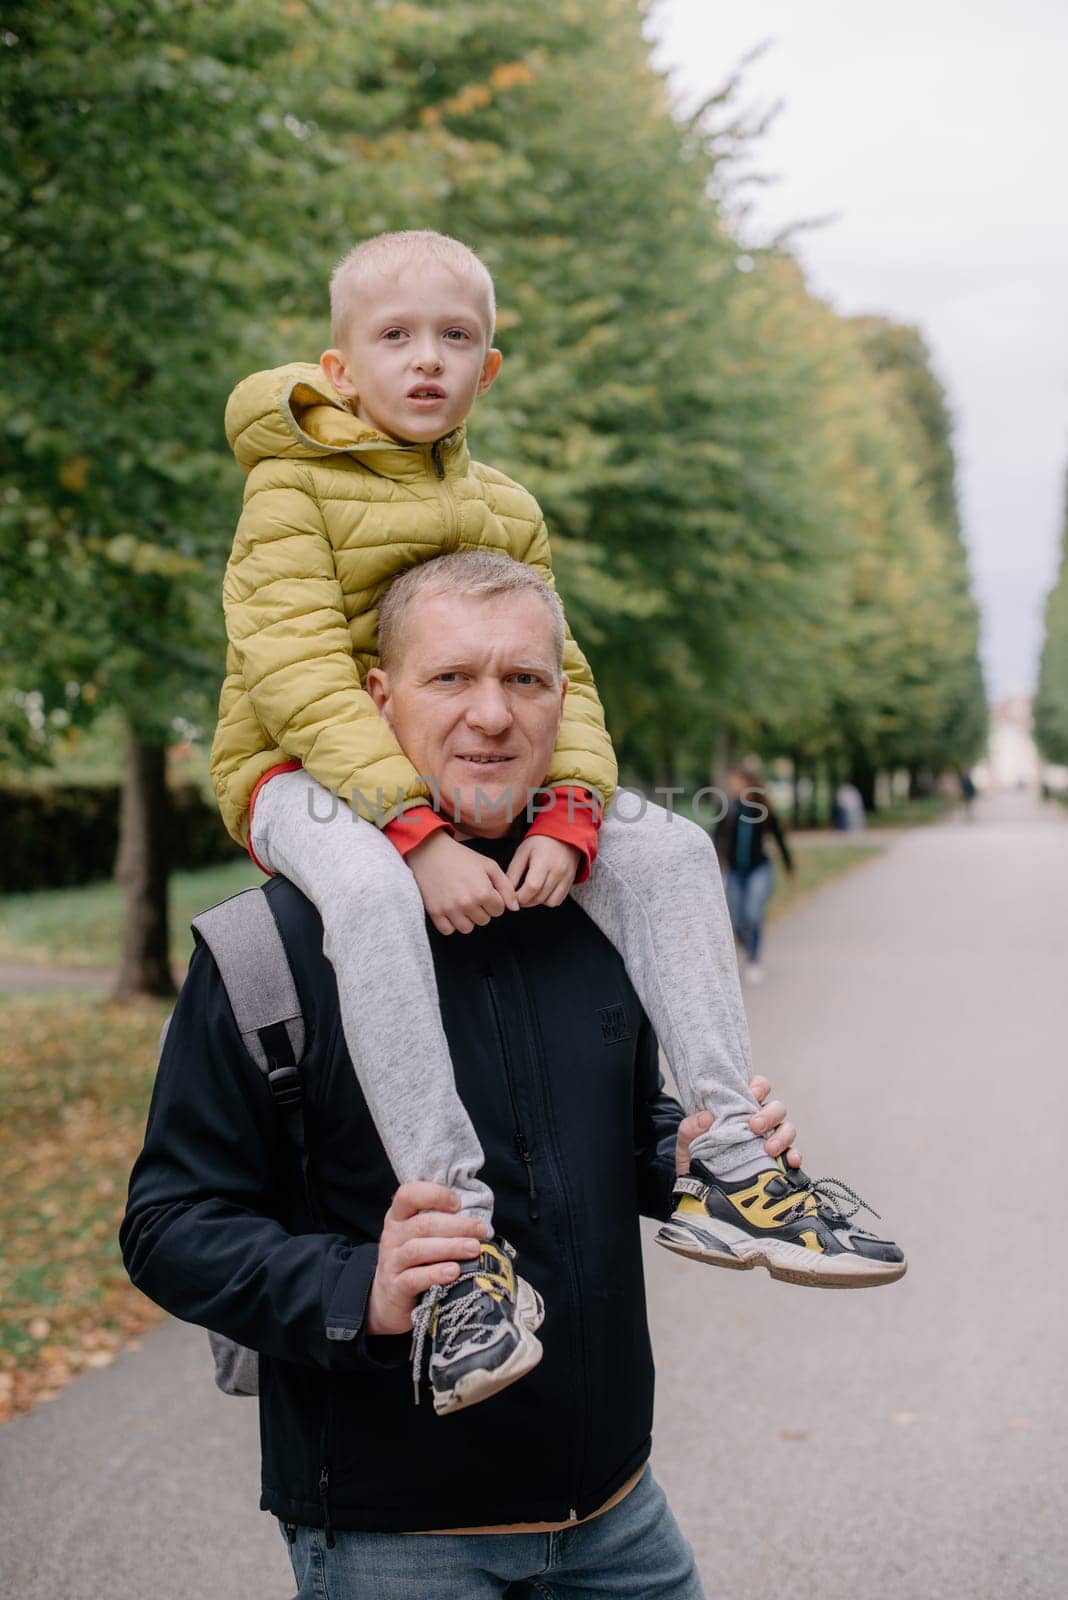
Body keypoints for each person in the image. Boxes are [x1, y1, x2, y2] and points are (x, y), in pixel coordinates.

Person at [209, 232, 905, 1413]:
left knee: (677, 846)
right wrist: (416, 832)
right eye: (395, 337)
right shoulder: (288, 483)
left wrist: (575, 812)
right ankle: (462, 1253)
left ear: (490, 369)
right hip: (299, 770)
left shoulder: (504, 507)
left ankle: (732, 1156)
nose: (426, 360)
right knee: (371, 896)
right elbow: (292, 671)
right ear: (338, 364)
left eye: (456, 338)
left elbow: (559, 678)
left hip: (457, 772)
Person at [121, 564, 821, 1597]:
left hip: (617, 1513)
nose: (493, 715)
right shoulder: (266, 950)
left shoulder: (595, 910)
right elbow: (168, 1224)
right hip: (392, 1535)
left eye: (526, 680)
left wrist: (678, 1155)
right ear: (377, 699)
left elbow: (619, 1131)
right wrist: (361, 1287)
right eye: (450, 677)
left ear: (562, 700)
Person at [716, 766, 795, 986]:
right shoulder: (728, 808)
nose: (733, 787)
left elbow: (779, 838)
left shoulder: (762, 809)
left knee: (752, 914)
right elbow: (717, 838)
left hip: (759, 869)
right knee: (735, 918)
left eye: (737, 782)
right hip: (735, 871)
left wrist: (789, 867)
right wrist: (716, 865)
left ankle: (753, 960)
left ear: (748, 783)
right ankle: (745, 947)